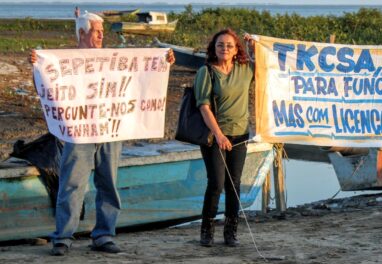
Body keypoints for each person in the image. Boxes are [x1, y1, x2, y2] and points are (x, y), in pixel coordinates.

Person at [31, 12, 174, 256]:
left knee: (109, 183)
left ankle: (104, 234)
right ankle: (63, 236)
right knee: (72, 184)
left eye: (102, 31)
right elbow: (46, 88)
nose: (101, 35)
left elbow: (139, 78)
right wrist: (36, 65)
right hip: (79, 133)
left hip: (110, 130)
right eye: (97, 31)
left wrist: (163, 61)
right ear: (82, 33)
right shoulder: (64, 60)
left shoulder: (110, 59)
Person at [195, 28, 254, 247]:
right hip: (214, 136)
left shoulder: (245, 69)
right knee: (216, 184)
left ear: (236, 48)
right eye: (220, 45)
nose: (225, 49)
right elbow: (203, 106)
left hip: (240, 134)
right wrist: (219, 134)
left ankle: (231, 233)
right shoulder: (207, 72)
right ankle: (207, 231)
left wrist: (255, 46)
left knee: (234, 184)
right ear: (214, 48)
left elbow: (268, 69)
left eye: (229, 45)